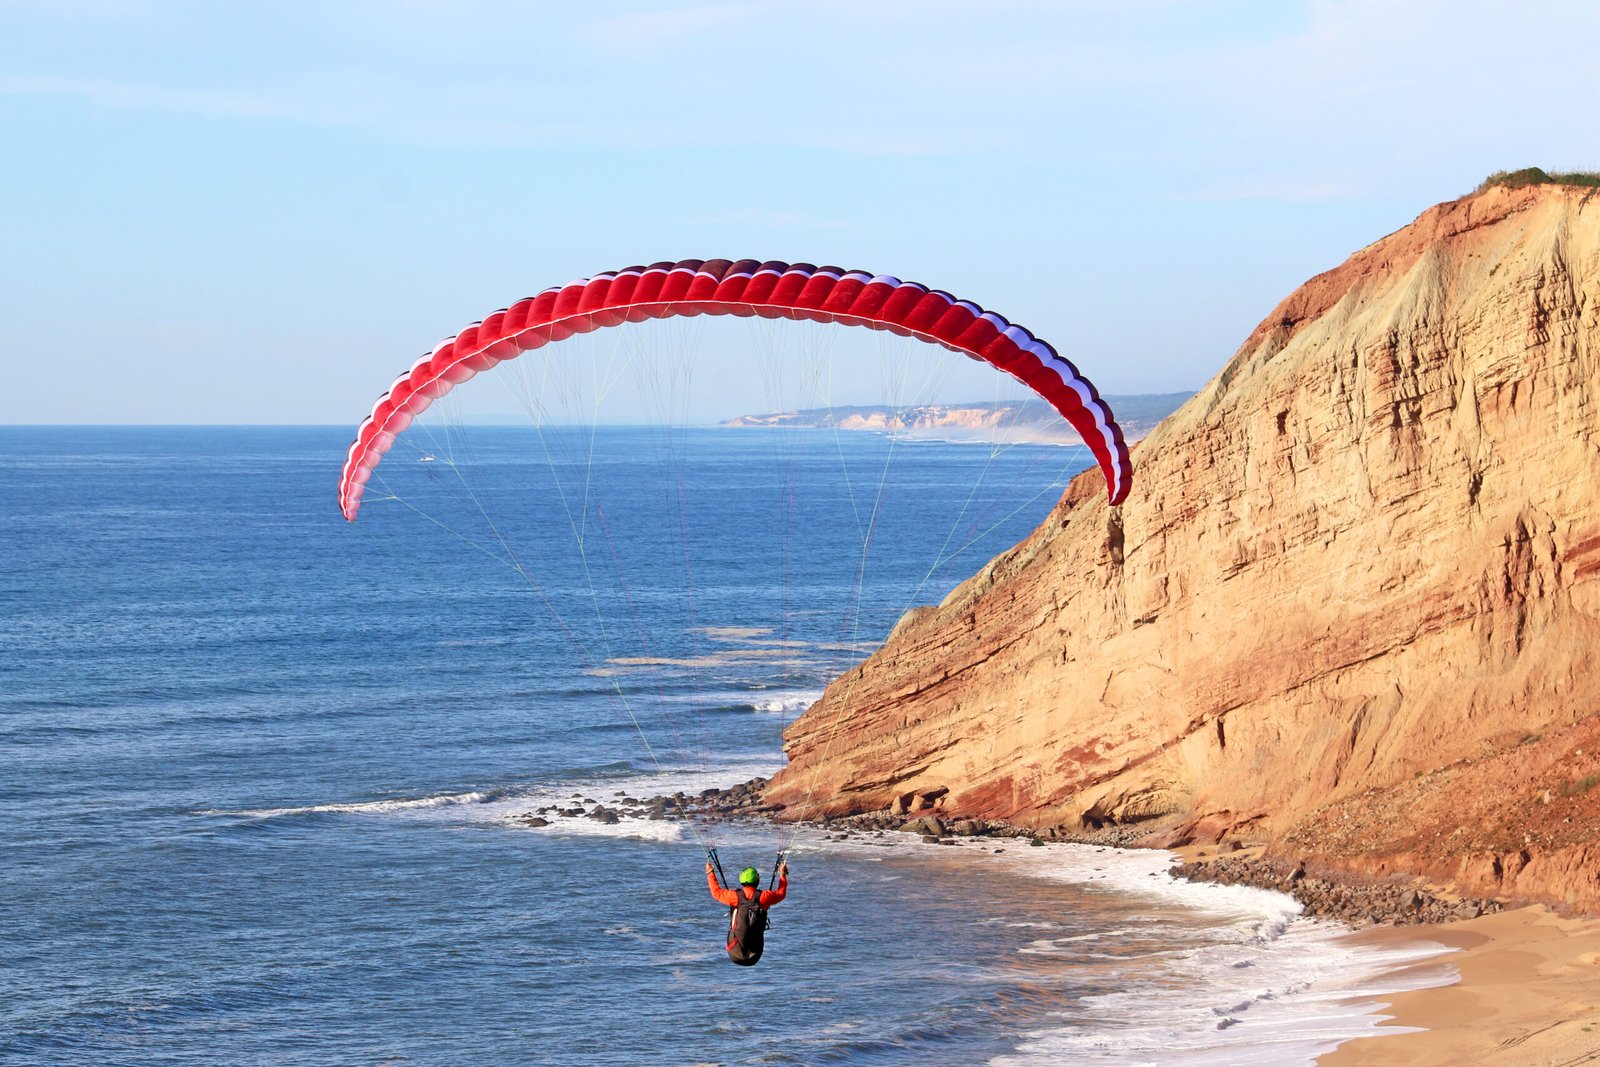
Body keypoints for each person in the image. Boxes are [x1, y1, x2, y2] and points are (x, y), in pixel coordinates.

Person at [705, 861, 788, 966]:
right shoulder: (764, 897)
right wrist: (783, 875)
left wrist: (710, 872)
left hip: (734, 953)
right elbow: (781, 894)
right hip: (755, 955)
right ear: (757, 880)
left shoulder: (734, 897)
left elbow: (716, 892)